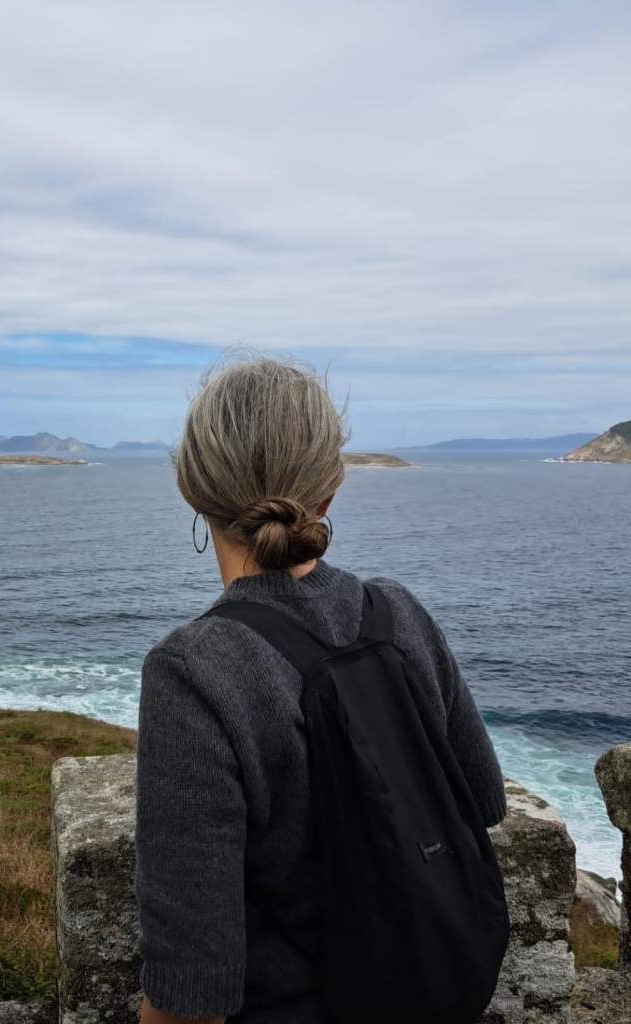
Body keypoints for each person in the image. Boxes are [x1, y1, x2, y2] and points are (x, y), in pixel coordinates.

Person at [135, 354, 507, 1024]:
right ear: (328, 492)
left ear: (193, 492)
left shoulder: (193, 669)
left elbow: (189, 996)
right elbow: (481, 799)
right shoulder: (398, 612)